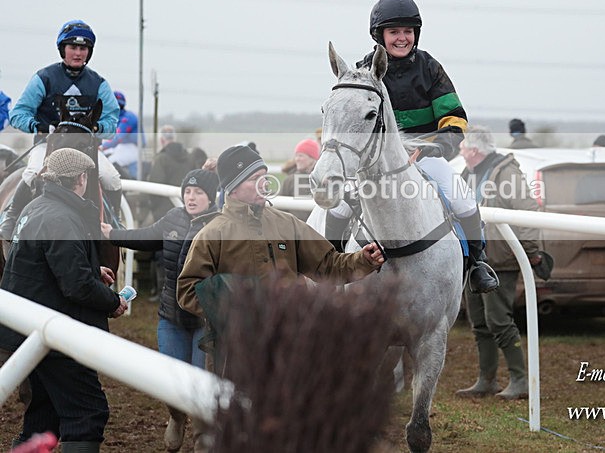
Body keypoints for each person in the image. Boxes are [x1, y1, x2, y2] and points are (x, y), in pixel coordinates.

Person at [333, 0, 498, 293]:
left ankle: (477, 263)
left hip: (425, 155)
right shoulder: (365, 70)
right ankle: (330, 264)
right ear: (380, 35)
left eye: (407, 31)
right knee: (338, 208)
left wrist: (438, 146)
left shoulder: (430, 68)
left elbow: (454, 117)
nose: (402, 38)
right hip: (377, 162)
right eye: (394, 32)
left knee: (462, 199)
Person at [177, 145, 385, 362]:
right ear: (233, 187)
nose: (264, 183)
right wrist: (237, 305)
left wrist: (364, 260)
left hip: (290, 347)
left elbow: (329, 265)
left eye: (264, 176)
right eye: (254, 178)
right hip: (237, 353)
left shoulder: (287, 223)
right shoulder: (212, 234)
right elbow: (187, 290)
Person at [0, 148, 128, 452]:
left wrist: (91, 267)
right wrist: (112, 302)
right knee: (88, 413)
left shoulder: (34, 206)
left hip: (31, 326)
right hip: (57, 331)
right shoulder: (62, 217)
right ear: (81, 178)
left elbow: (48, 263)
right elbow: (77, 285)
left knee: (43, 416)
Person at [101, 169, 217, 452]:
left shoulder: (221, 225)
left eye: (198, 192)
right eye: (187, 192)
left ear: (211, 197)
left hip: (206, 320)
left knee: (201, 384)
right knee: (170, 382)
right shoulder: (173, 218)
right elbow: (146, 236)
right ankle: (176, 417)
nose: (191, 197)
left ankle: (202, 439)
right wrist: (112, 234)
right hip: (171, 316)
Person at [2, 20, 122, 240]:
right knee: (31, 173)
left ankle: (115, 223)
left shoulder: (99, 84)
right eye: (73, 47)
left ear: (89, 52)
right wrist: (40, 126)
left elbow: (112, 122)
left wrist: (96, 127)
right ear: (62, 49)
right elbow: (18, 114)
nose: (78, 53)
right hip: (48, 145)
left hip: (85, 149)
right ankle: (10, 221)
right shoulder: (43, 78)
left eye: (83, 48)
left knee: (111, 177)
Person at [454, 126, 545, 400]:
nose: (460, 150)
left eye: (463, 146)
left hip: (499, 259)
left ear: (474, 149)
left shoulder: (507, 172)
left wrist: (530, 251)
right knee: (479, 322)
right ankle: (487, 379)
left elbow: (528, 212)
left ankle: (520, 380)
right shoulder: (468, 172)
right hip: (474, 258)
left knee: (498, 320)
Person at [147, 125, 193, 221]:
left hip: (163, 213)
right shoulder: (189, 158)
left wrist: (153, 207)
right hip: (188, 210)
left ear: (161, 140)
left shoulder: (161, 159)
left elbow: (155, 185)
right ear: (174, 138)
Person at [100, 90, 142, 179]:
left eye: (119, 105)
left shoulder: (128, 117)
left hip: (132, 148)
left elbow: (118, 137)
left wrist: (102, 147)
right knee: (102, 159)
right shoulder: (113, 117)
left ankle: (128, 183)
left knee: (110, 163)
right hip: (120, 147)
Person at [279, 138, 319, 220]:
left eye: (301, 156)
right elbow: (279, 208)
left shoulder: (323, 180)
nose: (297, 159)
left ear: (312, 158)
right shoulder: (290, 180)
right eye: (296, 155)